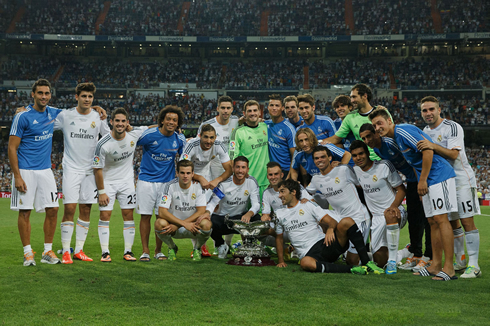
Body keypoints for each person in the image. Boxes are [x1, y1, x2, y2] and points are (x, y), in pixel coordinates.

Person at [369, 108, 458, 281]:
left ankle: (449, 268)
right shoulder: (393, 139)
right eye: (374, 126)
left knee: (441, 220)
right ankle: (435, 265)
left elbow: (427, 150)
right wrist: (420, 184)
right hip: (425, 181)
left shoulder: (402, 131)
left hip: (439, 175)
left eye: (380, 123)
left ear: (389, 120)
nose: (378, 128)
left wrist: (422, 180)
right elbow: (414, 163)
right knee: (432, 222)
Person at [418, 96, 481, 279]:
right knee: (452, 222)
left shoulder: (452, 127)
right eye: (424, 110)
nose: (428, 113)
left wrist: (432, 146)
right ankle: (460, 260)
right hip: (444, 181)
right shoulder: (424, 131)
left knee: (466, 221)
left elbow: (454, 154)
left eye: (431, 109)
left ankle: (474, 265)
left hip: (461, 179)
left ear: (439, 110)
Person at [359, 123, 432, 272]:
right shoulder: (377, 149)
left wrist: (420, 181)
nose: (367, 140)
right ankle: (415, 253)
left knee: (428, 219)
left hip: (421, 178)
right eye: (364, 138)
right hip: (411, 181)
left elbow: (412, 158)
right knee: (414, 218)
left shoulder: (391, 142)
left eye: (369, 136)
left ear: (376, 134)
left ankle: (429, 256)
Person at [9, 79, 63, 266]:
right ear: (33, 94)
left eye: (47, 93)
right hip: (25, 170)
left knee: (54, 209)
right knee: (25, 212)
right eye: (40, 93)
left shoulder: (53, 113)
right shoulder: (22, 116)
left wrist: (96, 106)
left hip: (45, 170)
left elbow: (78, 112)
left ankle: (47, 251)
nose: (44, 96)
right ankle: (27, 253)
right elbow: (11, 147)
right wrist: (17, 176)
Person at [306, 146, 384, 274]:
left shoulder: (343, 170)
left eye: (323, 157)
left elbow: (361, 184)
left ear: (330, 158)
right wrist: (309, 202)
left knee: (352, 261)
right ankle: (317, 250)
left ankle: (368, 257)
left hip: (358, 216)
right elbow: (306, 193)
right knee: (315, 215)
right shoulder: (316, 179)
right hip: (338, 217)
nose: (320, 160)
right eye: (316, 158)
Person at [55, 82, 110, 264]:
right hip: (71, 168)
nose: (87, 99)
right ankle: (65, 251)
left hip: (90, 171)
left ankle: (78, 250)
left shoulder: (98, 117)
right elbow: (44, 118)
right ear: (76, 96)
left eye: (90, 97)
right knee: (70, 208)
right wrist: (25, 111)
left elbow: (109, 138)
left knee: (86, 209)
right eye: (84, 96)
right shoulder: (65, 115)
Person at [274, 179, 371, 275]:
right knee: (305, 262)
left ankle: (367, 263)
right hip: (308, 254)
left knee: (347, 221)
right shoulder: (279, 214)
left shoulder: (307, 205)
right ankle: (352, 269)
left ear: (293, 192)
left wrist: (330, 229)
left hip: (325, 244)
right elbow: (279, 237)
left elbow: (331, 221)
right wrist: (281, 261)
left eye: (282, 192)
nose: (279, 196)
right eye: (279, 192)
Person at [93, 107, 147, 262]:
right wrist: (101, 191)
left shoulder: (134, 134)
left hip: (127, 183)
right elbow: (97, 169)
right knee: (105, 215)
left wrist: (134, 128)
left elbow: (152, 128)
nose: (120, 124)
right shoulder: (103, 143)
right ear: (111, 122)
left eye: (123, 121)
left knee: (128, 216)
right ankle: (105, 252)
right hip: (107, 183)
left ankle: (128, 251)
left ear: (127, 123)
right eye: (117, 120)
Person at [136, 105, 186, 262]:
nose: (171, 122)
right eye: (168, 119)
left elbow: (185, 156)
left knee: (161, 218)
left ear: (178, 124)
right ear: (162, 120)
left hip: (166, 184)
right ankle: (145, 251)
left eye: (175, 120)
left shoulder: (179, 139)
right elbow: (131, 140)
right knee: (145, 216)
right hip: (146, 181)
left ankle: (158, 251)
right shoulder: (149, 135)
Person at [350, 140, 407, 274]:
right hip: (376, 218)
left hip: (396, 212)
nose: (358, 158)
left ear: (367, 153)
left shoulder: (383, 166)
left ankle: (392, 262)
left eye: (361, 154)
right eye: (354, 155)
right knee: (380, 262)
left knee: (389, 214)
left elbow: (402, 189)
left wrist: (393, 207)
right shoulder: (355, 170)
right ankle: (404, 252)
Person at [198, 156, 261, 259]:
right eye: (238, 167)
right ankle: (221, 245)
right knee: (208, 222)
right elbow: (213, 202)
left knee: (258, 219)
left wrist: (249, 214)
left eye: (243, 167)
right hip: (224, 219)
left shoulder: (252, 182)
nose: (240, 171)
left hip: (241, 218)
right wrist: (207, 213)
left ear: (247, 169)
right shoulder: (224, 184)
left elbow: (256, 204)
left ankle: (249, 247)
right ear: (232, 168)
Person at [198, 96, 239, 254]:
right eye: (223, 108)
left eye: (228, 108)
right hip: (211, 174)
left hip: (230, 173)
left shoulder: (236, 122)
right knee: (209, 209)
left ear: (232, 109)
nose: (226, 111)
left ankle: (224, 245)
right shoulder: (207, 125)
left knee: (228, 209)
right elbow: (199, 144)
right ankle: (202, 244)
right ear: (217, 108)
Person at [154, 160, 212, 261]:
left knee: (207, 224)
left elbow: (201, 211)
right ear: (177, 173)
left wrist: (180, 224)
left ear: (193, 174)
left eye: (188, 173)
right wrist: (183, 224)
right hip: (173, 228)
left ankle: (197, 248)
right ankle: (172, 247)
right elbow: (162, 212)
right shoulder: (169, 186)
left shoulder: (198, 187)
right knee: (159, 223)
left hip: (192, 227)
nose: (185, 176)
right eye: (182, 173)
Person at [324, 84, 389, 160]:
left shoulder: (382, 112)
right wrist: (317, 142)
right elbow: (336, 138)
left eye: (354, 97)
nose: (352, 100)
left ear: (365, 96)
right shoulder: (350, 117)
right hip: (363, 162)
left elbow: (392, 134)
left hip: (385, 160)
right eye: (351, 97)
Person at [229, 100, 269, 197]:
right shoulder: (237, 132)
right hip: (248, 182)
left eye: (255, 110)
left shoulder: (265, 126)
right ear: (244, 114)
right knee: (249, 212)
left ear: (260, 112)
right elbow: (232, 158)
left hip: (267, 182)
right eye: (249, 111)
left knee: (267, 212)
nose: (252, 113)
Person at [182, 124, 232, 195]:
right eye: (206, 137)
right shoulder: (192, 144)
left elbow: (229, 169)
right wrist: (198, 177)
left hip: (205, 172)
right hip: (189, 173)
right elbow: (182, 168)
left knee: (206, 200)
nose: (209, 141)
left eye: (211, 138)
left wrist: (217, 180)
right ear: (200, 136)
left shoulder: (219, 145)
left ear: (215, 137)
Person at [264, 94, 296, 177]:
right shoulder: (265, 125)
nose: (274, 108)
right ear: (268, 107)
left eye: (277, 105)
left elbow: (295, 155)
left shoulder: (289, 128)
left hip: (285, 171)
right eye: (271, 105)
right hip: (271, 172)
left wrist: (290, 175)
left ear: (282, 108)